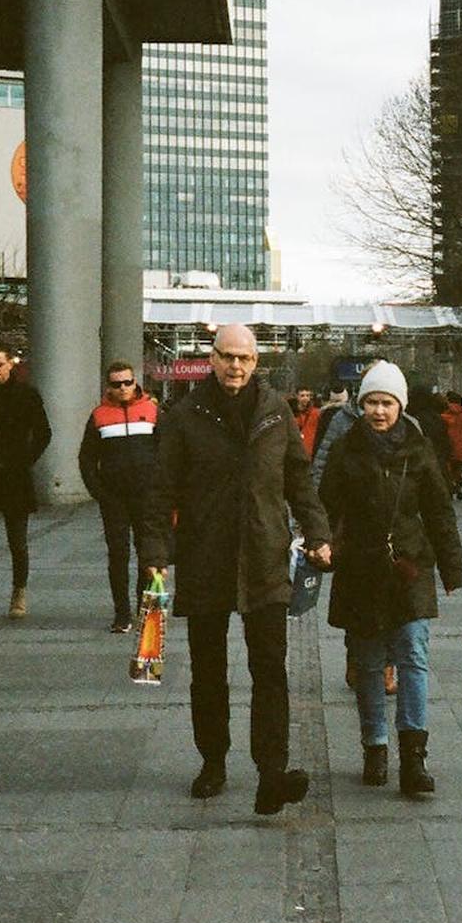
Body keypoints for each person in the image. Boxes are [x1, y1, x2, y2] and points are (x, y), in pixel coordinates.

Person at [141, 324, 332, 813]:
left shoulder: (275, 412)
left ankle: (272, 772)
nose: (236, 367)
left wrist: (318, 534)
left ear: (255, 362)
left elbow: (298, 478)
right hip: (206, 556)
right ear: (212, 357)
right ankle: (213, 761)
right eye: (227, 357)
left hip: (265, 557)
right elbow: (159, 492)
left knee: (269, 668)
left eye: (245, 359)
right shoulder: (185, 416)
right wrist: (155, 556)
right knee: (209, 670)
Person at [319, 360, 462, 796]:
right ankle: (374, 747)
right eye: (371, 402)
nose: (379, 411)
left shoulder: (419, 450)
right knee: (366, 664)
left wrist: (452, 568)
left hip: (410, 565)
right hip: (361, 568)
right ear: (360, 404)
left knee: (413, 658)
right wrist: (319, 543)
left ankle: (414, 758)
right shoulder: (346, 449)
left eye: (386, 403)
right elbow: (325, 505)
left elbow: (439, 510)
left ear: (400, 405)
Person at [0, 342, 51, 633]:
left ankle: (19, 591)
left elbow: (44, 432)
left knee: (18, 542)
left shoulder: (26, 395)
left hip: (15, 477)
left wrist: (25, 459)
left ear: (10, 364)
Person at [78, 361, 159, 633]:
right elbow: (86, 459)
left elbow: (167, 451)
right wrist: (100, 493)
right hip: (114, 499)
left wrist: (163, 489)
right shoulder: (99, 415)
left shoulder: (152, 410)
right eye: (116, 384)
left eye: (127, 382)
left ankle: (143, 608)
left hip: (147, 496)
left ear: (135, 382)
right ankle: (122, 614)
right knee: (118, 555)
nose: (123, 388)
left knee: (147, 554)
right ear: (108, 387)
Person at [441, 390, 462, 500]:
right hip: (461, 446)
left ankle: (450, 489)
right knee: (458, 469)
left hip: (447, 445)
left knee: (448, 469)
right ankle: (458, 487)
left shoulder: (444, 412)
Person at [292, 386, 320, 457]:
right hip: (295, 450)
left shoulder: (316, 413)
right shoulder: (291, 413)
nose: (305, 398)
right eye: (302, 395)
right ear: (296, 396)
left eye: (307, 395)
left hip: (310, 450)